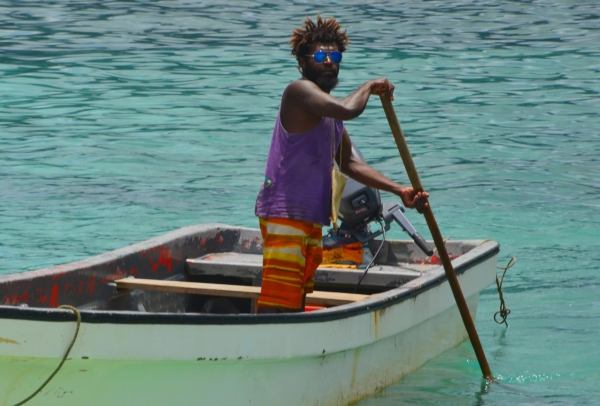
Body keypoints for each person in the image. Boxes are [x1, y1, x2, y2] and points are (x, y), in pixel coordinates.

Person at [254, 15, 429, 313]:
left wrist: (400, 190)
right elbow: (349, 108)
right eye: (320, 55)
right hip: (286, 215)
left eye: (334, 56)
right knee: (279, 302)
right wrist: (370, 85)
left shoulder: (328, 113)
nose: (329, 62)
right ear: (303, 60)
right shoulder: (298, 92)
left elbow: (349, 163)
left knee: (296, 298)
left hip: (309, 219)